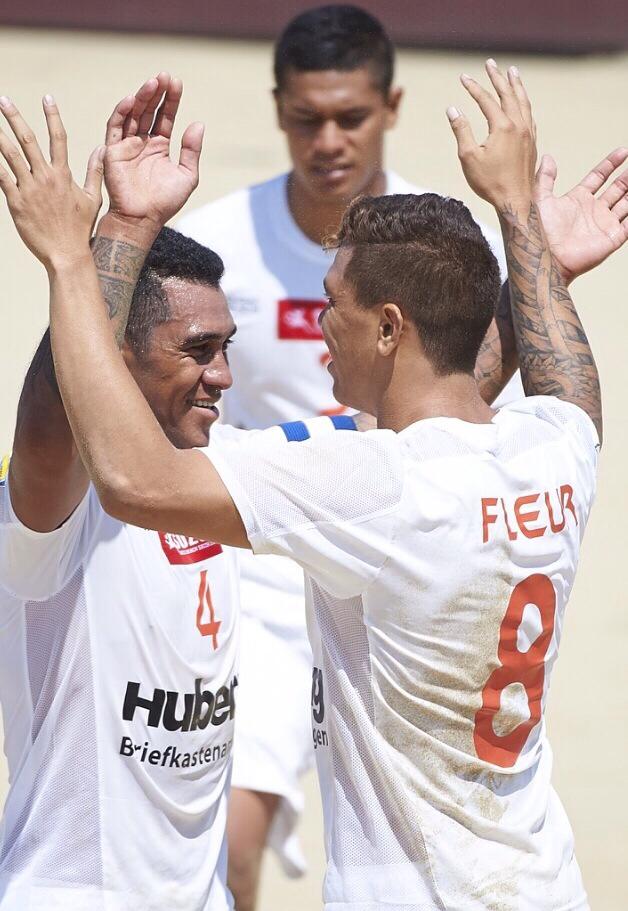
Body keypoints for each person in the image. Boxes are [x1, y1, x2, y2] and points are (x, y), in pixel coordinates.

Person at [1, 65, 627, 910]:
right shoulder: (548, 447)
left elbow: (132, 477)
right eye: (200, 349)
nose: (312, 324)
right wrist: (533, 251)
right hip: (542, 882)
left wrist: (81, 255)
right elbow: (553, 386)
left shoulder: (361, 481)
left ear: (389, 327)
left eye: (331, 302)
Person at [176, 8, 516, 901]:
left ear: (392, 105)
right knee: (226, 843)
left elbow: (480, 405)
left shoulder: (431, 250)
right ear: (279, 109)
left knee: (422, 840)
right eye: (305, 117)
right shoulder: (219, 244)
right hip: (258, 578)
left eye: (351, 117)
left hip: (391, 574)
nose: (328, 140)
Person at [0, 78, 358, 911]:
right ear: (116, 356)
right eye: (198, 349)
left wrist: (537, 263)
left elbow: (416, 417)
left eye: (228, 346)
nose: (225, 375)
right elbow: (54, 419)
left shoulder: (227, 471)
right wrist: (119, 230)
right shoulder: (59, 507)